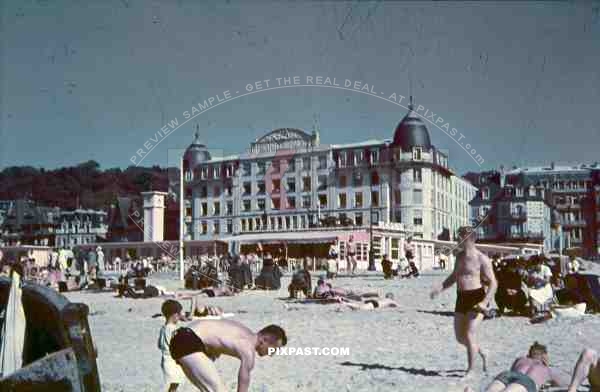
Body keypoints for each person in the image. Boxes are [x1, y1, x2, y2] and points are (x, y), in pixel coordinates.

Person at [430, 226, 498, 378]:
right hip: (461, 297)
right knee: (460, 337)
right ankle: (482, 352)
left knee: (469, 333)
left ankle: (471, 371)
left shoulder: (482, 259)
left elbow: (494, 283)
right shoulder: (459, 256)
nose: (457, 239)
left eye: (459, 237)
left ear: (468, 238)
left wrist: (485, 301)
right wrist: (440, 288)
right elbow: (454, 277)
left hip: (477, 298)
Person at [169, 320, 286, 392]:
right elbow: (244, 379)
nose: (272, 354)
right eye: (273, 349)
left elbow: (214, 338)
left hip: (182, 337)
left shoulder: (243, 332)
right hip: (188, 340)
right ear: (264, 340)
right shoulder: (248, 350)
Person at [465, 342, 568, 392]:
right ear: (544, 356)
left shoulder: (520, 359)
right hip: (527, 381)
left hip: (508, 374)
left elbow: (513, 370)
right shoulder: (546, 369)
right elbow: (563, 383)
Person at [158, 300, 186, 392]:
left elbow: (159, 345)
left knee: (174, 385)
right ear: (174, 315)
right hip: (172, 361)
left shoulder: (164, 328)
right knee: (174, 384)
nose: (179, 318)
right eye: (179, 315)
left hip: (166, 360)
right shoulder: (172, 329)